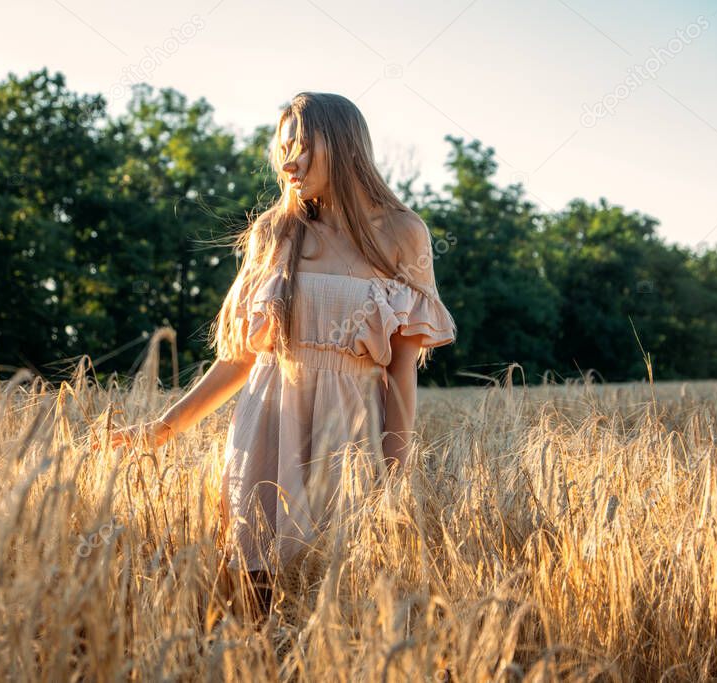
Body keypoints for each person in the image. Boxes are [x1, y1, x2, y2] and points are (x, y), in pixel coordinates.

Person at [105, 91, 457, 620]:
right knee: (255, 598)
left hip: (348, 440)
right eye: (284, 147)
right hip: (265, 429)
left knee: (340, 600)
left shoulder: (404, 234)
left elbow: (401, 372)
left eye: (305, 147)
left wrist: (395, 477)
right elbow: (241, 359)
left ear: (345, 147)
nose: (289, 161)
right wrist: (160, 429)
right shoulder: (276, 232)